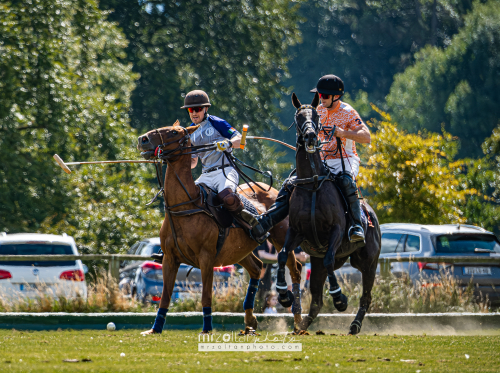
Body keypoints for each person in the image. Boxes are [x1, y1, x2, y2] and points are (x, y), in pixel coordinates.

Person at [250, 75, 371, 243]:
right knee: (291, 183)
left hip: (345, 159)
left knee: (346, 182)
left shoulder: (348, 112)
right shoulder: (317, 111)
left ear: (336, 96)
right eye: (319, 95)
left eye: (325, 96)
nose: (321, 99)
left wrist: (342, 133)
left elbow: (366, 137)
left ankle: (356, 225)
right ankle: (267, 221)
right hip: (321, 159)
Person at [182, 90, 262, 233]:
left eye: (198, 109)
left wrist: (228, 144)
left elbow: (240, 140)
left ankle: (254, 226)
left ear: (205, 109)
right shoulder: (191, 132)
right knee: (187, 199)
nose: (194, 113)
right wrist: (179, 162)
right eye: (190, 110)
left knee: (228, 197)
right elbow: (193, 162)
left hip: (224, 171)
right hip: (206, 175)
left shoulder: (216, 122)